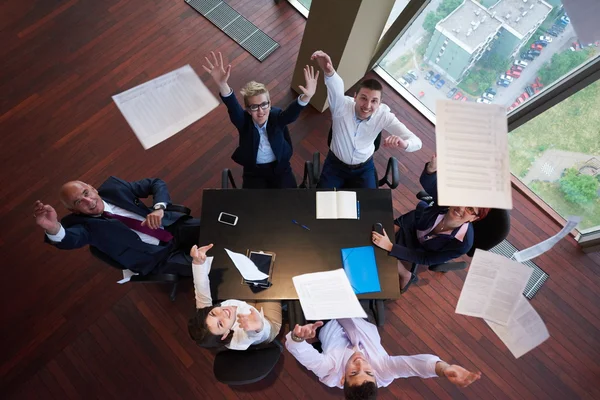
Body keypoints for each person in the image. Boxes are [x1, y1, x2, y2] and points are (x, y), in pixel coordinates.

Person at [371, 154, 490, 293]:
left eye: (470, 209)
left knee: (382, 249)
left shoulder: (463, 244)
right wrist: (431, 168)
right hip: (413, 224)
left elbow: (426, 258)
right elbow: (429, 182)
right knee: (375, 240)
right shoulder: (447, 201)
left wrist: (390, 247)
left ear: (473, 219)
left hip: (424, 248)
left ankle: (406, 275)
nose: (461, 208)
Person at [34, 177, 200, 276]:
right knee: (207, 267)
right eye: (79, 202)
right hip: (157, 258)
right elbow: (69, 239)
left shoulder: (115, 188)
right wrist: (53, 227)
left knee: (220, 228)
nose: (89, 202)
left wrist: (159, 209)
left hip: (172, 228)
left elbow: (155, 183)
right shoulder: (84, 226)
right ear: (73, 210)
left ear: (93, 188)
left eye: (86, 193)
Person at [203, 51, 319, 188]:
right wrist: (223, 85)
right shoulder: (244, 121)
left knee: (289, 201)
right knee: (253, 206)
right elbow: (233, 107)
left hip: (280, 168)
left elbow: (290, 114)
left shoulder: (276, 116)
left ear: (269, 104)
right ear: (247, 109)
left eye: (264, 105)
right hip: (254, 172)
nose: (260, 111)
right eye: (254, 107)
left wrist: (306, 97)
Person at [286, 318, 481, 399]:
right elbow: (413, 366)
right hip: (358, 317)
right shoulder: (383, 371)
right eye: (368, 372)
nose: (361, 363)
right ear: (376, 376)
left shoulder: (329, 371)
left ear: (343, 379)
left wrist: (298, 337)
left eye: (354, 372)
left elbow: (303, 353)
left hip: (328, 321)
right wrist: (443, 369)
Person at [310, 50, 422, 189]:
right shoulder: (341, 106)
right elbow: (336, 88)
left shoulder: (384, 116)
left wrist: (404, 143)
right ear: (355, 96)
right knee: (323, 201)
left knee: (368, 205)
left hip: (364, 168)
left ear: (380, 103)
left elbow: (417, 142)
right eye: (363, 98)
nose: (367, 106)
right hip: (335, 165)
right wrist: (329, 72)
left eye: (374, 101)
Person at [187, 244, 282, 350]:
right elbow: (260, 335)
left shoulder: (207, 316)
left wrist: (198, 263)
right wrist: (259, 328)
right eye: (221, 324)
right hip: (267, 322)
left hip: (245, 304)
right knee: (274, 283)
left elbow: (201, 288)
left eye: (213, 313)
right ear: (225, 335)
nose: (222, 313)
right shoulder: (240, 339)